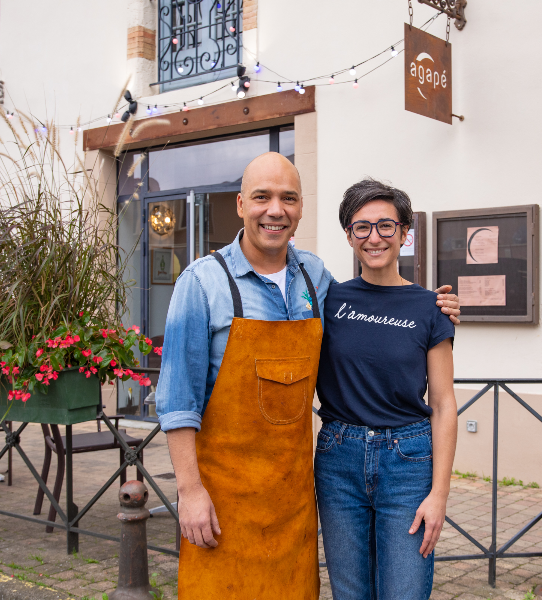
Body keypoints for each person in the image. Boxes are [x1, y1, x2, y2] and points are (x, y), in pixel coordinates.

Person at [155, 153, 460, 599]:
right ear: (241, 204)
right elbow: (178, 401)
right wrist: (189, 491)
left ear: (300, 210)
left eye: (288, 198)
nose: (275, 210)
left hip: (297, 491)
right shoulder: (202, 284)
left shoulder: (315, 279)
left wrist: (441, 311)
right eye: (262, 197)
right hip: (229, 495)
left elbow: (388, 333)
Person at [314, 178, 458, 600]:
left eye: (385, 226)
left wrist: (439, 494)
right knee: (350, 591)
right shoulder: (328, 301)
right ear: (348, 235)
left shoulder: (430, 307)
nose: (374, 237)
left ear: (404, 233)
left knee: (404, 590)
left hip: (409, 461)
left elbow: (445, 404)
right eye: (362, 227)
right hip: (338, 459)